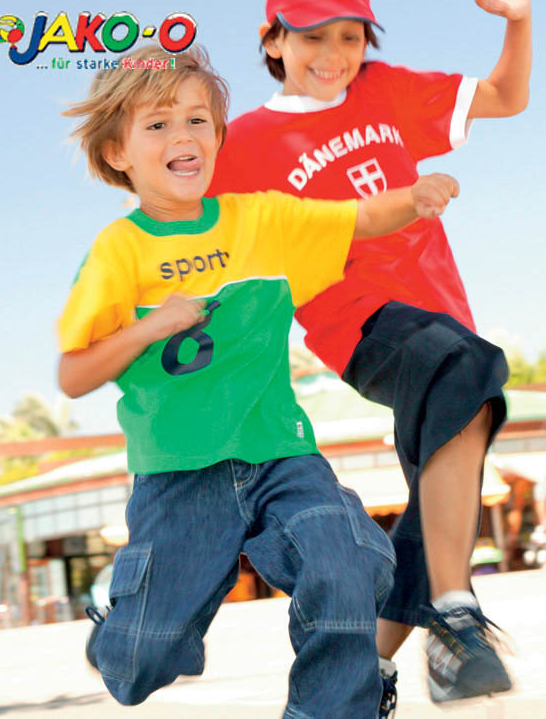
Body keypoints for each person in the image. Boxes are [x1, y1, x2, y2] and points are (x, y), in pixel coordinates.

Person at [56, 43, 460, 716]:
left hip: (281, 454)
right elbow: (72, 375)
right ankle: (119, 634)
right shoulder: (118, 252)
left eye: (198, 121)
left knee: (347, 563)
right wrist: (146, 328)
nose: (183, 137)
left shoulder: (261, 221)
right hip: (181, 472)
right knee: (143, 661)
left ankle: (337, 706)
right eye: (157, 125)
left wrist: (413, 198)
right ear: (117, 152)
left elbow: (353, 219)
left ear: (218, 135)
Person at [208, 0, 532, 711]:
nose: (334, 56)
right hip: (358, 324)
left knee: (435, 498)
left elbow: (508, 96)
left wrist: (519, 17)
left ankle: (363, 679)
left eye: (350, 38)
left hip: (441, 317)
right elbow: (218, 253)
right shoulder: (246, 141)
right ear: (273, 41)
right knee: (468, 369)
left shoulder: (386, 91)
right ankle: (454, 618)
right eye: (313, 38)